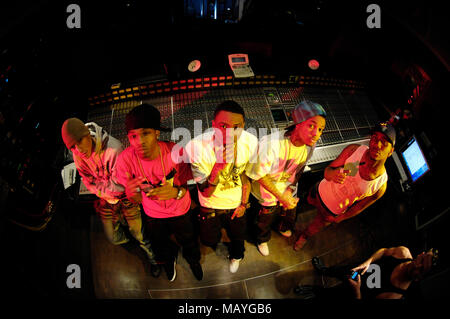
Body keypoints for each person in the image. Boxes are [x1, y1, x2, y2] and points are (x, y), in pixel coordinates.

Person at [61, 118, 160, 277]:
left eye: (79, 141)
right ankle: (130, 242)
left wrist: (101, 187)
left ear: (88, 134)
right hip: (106, 199)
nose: (78, 149)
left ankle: (153, 259)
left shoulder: (114, 149)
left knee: (140, 235)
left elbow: (120, 185)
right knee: (113, 237)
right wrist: (104, 192)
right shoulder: (78, 155)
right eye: (72, 146)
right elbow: (87, 181)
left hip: (125, 198)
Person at [115, 104, 203, 282]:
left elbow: (186, 185)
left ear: (156, 133)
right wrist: (131, 194)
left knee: (188, 238)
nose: (139, 141)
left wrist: (175, 192)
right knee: (161, 242)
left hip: (180, 209)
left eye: (145, 133)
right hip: (153, 213)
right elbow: (135, 198)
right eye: (133, 136)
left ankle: (193, 260)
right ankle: (168, 261)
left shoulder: (175, 151)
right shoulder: (125, 159)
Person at [294, 122, 396, 251]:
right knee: (301, 204)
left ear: (391, 151)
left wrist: (340, 218)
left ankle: (304, 237)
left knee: (316, 226)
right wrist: (333, 174)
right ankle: (289, 224)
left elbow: (359, 207)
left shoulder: (380, 186)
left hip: (331, 211)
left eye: (384, 142)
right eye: (375, 138)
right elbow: (327, 171)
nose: (377, 144)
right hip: (318, 191)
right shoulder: (354, 150)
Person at [185, 100, 258, 273]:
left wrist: (243, 204)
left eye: (236, 127)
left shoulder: (251, 142)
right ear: (213, 125)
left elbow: (246, 176)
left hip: (236, 203)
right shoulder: (196, 147)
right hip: (209, 204)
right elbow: (206, 192)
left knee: (238, 237)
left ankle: (236, 256)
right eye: (223, 126)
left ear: (243, 126)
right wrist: (218, 166)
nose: (229, 134)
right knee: (209, 240)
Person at [246, 100, 326, 256]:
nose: (316, 133)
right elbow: (259, 175)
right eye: (311, 125)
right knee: (264, 219)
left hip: (286, 188)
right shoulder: (271, 144)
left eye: (321, 129)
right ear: (298, 123)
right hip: (266, 191)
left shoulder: (310, 146)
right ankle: (262, 239)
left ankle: (283, 227)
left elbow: (299, 170)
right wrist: (281, 196)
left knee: (291, 211)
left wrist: (289, 190)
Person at [309, 246, 439, 299]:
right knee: (339, 271)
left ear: (420, 278)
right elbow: (383, 251)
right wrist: (368, 261)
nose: (417, 265)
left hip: (356, 292)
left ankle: (313, 290)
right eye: (422, 259)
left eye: (422, 269)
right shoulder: (403, 252)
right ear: (421, 254)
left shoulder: (395, 295)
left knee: (332, 295)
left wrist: (357, 291)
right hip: (360, 270)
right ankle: (324, 270)